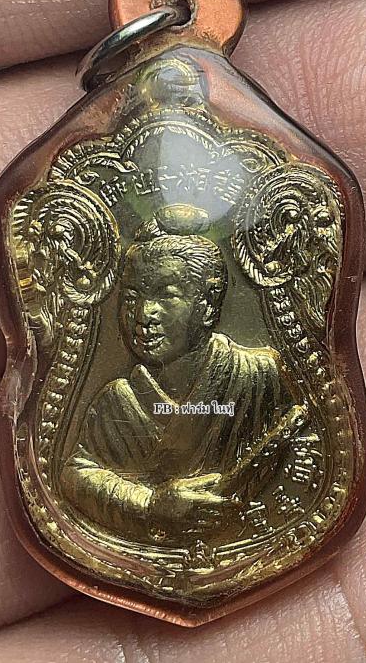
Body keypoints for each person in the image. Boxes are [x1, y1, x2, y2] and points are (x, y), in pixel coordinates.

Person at [61, 204, 304, 541]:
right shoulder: (115, 403)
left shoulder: (259, 377)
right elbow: (75, 474)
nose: (143, 314)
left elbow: (305, 450)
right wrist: (150, 504)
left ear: (207, 306)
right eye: (131, 297)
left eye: (166, 296)